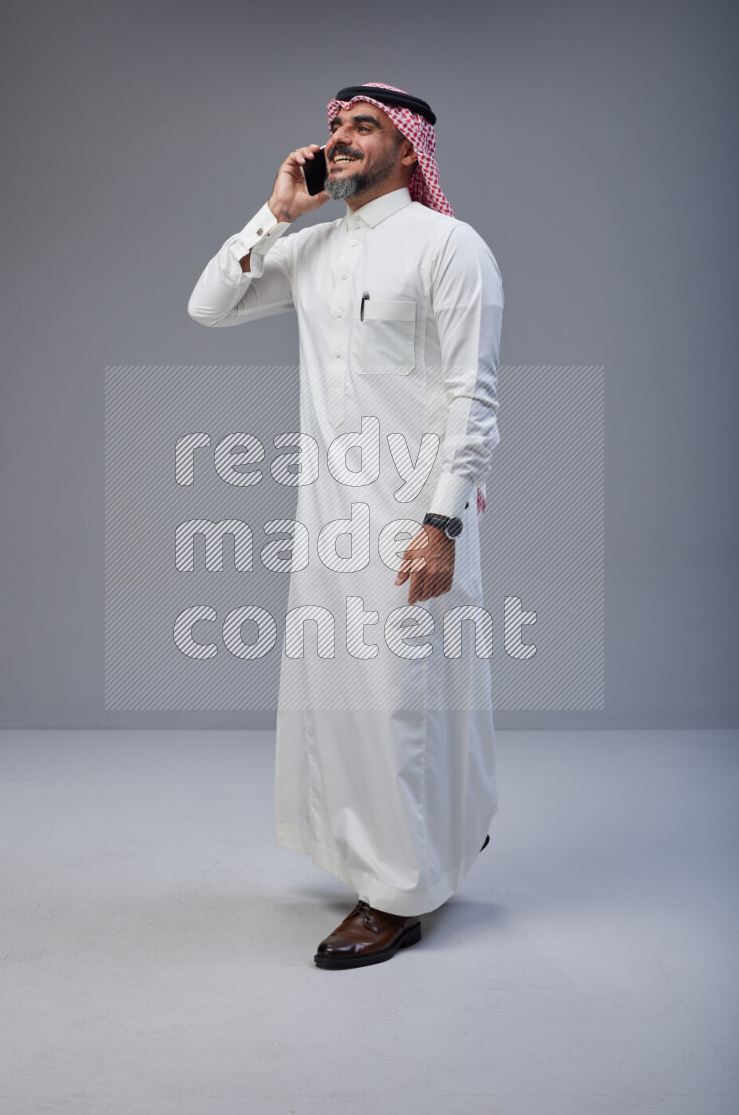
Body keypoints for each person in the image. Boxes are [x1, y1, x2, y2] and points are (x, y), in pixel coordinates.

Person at [188, 82, 504, 969]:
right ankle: (407, 845)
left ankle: (397, 893)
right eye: (334, 125)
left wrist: (442, 522)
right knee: (343, 701)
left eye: (364, 126)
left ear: (408, 149)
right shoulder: (312, 248)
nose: (341, 138)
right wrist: (276, 214)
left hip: (411, 516)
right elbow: (209, 304)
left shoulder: (450, 246)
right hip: (327, 520)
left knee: (402, 699)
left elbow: (473, 397)